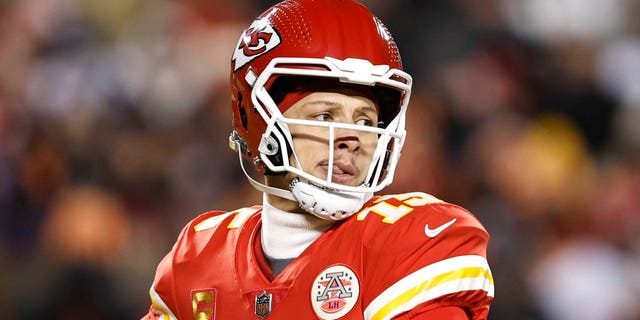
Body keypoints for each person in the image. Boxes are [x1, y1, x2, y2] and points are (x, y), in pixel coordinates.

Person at [142, 0, 494, 319]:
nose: (352, 139)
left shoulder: (410, 243)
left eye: (365, 121)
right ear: (256, 119)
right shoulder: (198, 257)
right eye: (325, 116)